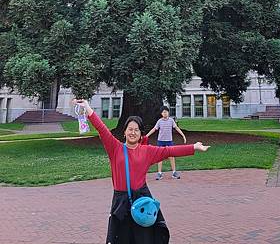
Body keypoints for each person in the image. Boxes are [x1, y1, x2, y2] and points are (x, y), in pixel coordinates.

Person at [74, 99, 209, 244]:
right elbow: (102, 128)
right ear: (124, 132)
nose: (133, 132)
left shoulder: (147, 151)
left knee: (144, 238)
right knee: (121, 238)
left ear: (140, 134)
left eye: (136, 130)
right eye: (130, 129)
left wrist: (193, 147)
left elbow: (169, 150)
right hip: (121, 201)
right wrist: (87, 107)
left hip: (142, 199)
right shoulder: (115, 148)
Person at [146, 106, 186, 180]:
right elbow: (154, 129)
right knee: (159, 157)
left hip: (169, 141)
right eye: (163, 112)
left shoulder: (171, 120)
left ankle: (174, 172)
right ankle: (159, 173)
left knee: (171, 157)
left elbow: (176, 128)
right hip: (160, 141)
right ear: (161, 113)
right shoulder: (159, 121)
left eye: (166, 112)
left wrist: (183, 135)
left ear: (168, 112)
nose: (165, 113)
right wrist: (146, 136)